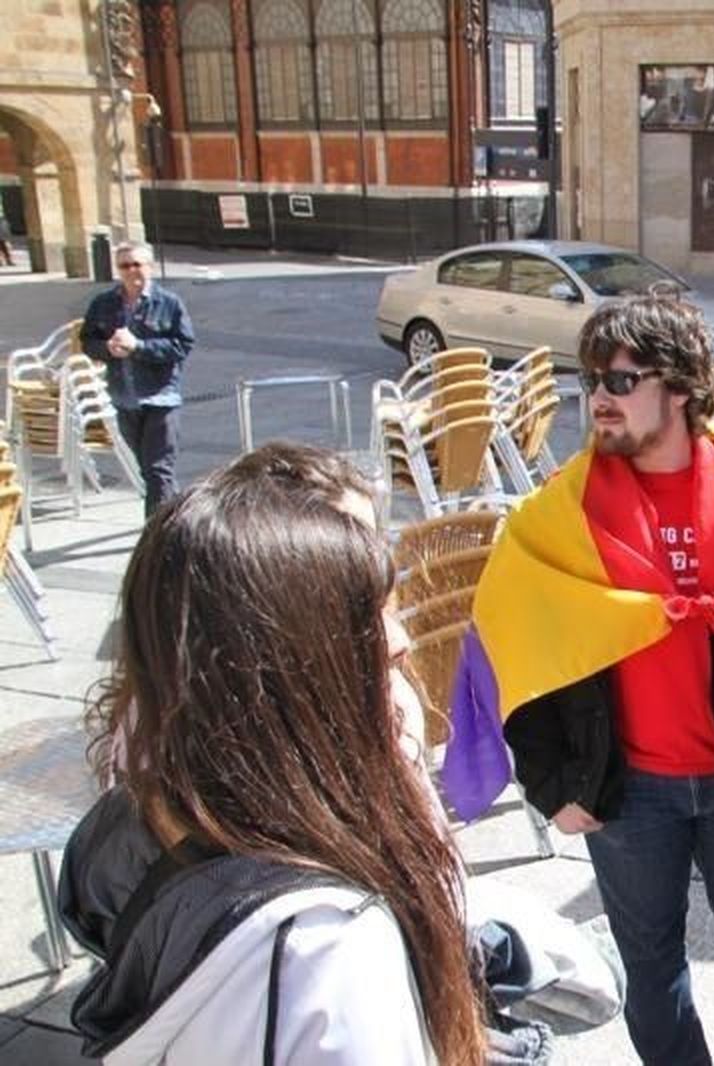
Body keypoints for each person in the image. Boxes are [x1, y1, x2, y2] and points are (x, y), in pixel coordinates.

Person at [454, 296, 714, 1066]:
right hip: (626, 791)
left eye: (620, 380)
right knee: (651, 964)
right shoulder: (555, 517)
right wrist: (552, 784)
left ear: (678, 387)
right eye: (590, 380)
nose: (599, 398)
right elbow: (511, 648)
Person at [58, 443, 487, 1065]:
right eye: (359, 611)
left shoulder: (179, 811)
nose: (399, 640)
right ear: (275, 663)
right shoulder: (331, 951)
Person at [80, 240, 195, 517]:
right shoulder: (104, 303)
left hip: (160, 398)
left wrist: (139, 347)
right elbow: (88, 341)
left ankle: (154, 531)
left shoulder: (168, 303)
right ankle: (178, 519)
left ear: (149, 267)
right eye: (124, 265)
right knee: (149, 471)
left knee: (158, 470)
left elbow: (182, 345)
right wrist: (106, 348)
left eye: (137, 264)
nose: (132, 271)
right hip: (124, 399)